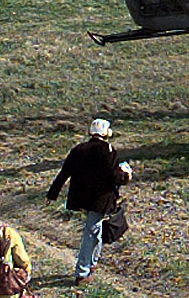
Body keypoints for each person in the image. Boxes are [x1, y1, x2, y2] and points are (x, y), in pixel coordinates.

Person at [47, 118, 132, 287]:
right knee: (91, 233)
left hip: (81, 198)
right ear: (107, 133)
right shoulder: (108, 150)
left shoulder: (79, 149)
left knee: (96, 230)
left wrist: (52, 194)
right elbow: (112, 176)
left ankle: (92, 262)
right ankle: (82, 272)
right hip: (99, 200)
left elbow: (64, 173)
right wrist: (126, 176)